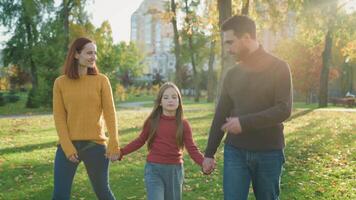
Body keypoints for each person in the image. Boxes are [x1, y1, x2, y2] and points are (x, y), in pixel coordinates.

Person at [202, 15, 293, 200]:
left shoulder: (279, 67)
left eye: (230, 43)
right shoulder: (232, 74)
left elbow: (283, 109)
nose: (228, 49)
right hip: (235, 151)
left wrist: (244, 123)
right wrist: (209, 153)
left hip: (269, 152)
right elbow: (221, 115)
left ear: (246, 38)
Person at [52, 37, 120, 200]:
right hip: (68, 147)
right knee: (59, 195)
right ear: (76, 54)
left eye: (95, 53)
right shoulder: (60, 83)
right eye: (89, 53)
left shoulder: (101, 81)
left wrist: (114, 142)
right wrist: (67, 147)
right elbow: (59, 117)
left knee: (103, 193)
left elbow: (110, 113)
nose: (93, 57)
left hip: (95, 146)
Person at [118, 82, 204, 200]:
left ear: (179, 101)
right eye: (166, 97)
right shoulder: (152, 121)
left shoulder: (184, 124)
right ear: (160, 101)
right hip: (154, 169)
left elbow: (192, 148)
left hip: (175, 171)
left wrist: (204, 162)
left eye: (174, 97)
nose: (170, 100)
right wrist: (121, 152)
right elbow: (140, 141)